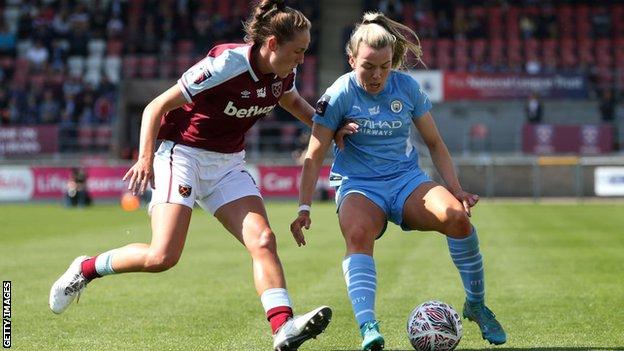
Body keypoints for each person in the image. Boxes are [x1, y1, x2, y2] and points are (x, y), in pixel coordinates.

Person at [49, 1, 346, 350]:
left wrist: (331, 130)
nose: (301, 60)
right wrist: (145, 158)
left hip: (229, 164)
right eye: (297, 51)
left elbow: (292, 102)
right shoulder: (227, 63)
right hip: (183, 155)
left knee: (263, 239)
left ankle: (282, 326)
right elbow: (155, 106)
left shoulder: (284, 73)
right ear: (271, 45)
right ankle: (85, 269)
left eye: (306, 52)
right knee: (162, 257)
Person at [290, 12, 507, 351]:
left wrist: (456, 188)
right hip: (360, 185)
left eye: (384, 66)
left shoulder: (406, 87)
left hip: (406, 181)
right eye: (368, 66)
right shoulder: (338, 94)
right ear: (351, 60)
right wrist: (304, 207)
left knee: (457, 218)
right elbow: (314, 154)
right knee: (358, 235)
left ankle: (476, 305)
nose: (377, 75)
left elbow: (435, 143)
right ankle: (368, 327)